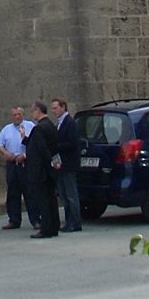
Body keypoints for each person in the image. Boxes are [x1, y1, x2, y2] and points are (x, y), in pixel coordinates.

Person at [23, 101, 60, 238]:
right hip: (49, 170)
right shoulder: (50, 125)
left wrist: (48, 162)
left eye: (33, 111)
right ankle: (54, 226)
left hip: (41, 171)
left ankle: (46, 229)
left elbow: (42, 149)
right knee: (51, 199)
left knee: (43, 200)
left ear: (38, 111)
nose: (32, 114)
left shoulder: (39, 128)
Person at [0, 105, 31, 228]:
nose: (17, 117)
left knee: (29, 192)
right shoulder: (6, 129)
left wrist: (25, 155)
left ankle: (35, 219)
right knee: (13, 193)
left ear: (23, 115)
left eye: (19, 114)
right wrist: (5, 153)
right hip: (12, 163)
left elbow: (35, 144)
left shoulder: (30, 126)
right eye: (14, 115)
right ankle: (14, 220)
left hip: (26, 163)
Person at [50, 97, 82, 231]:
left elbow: (73, 143)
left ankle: (75, 222)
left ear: (63, 107)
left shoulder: (70, 123)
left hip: (68, 164)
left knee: (71, 194)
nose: (53, 111)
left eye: (55, 108)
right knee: (63, 194)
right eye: (52, 108)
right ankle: (69, 221)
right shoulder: (59, 123)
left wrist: (56, 146)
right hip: (60, 164)